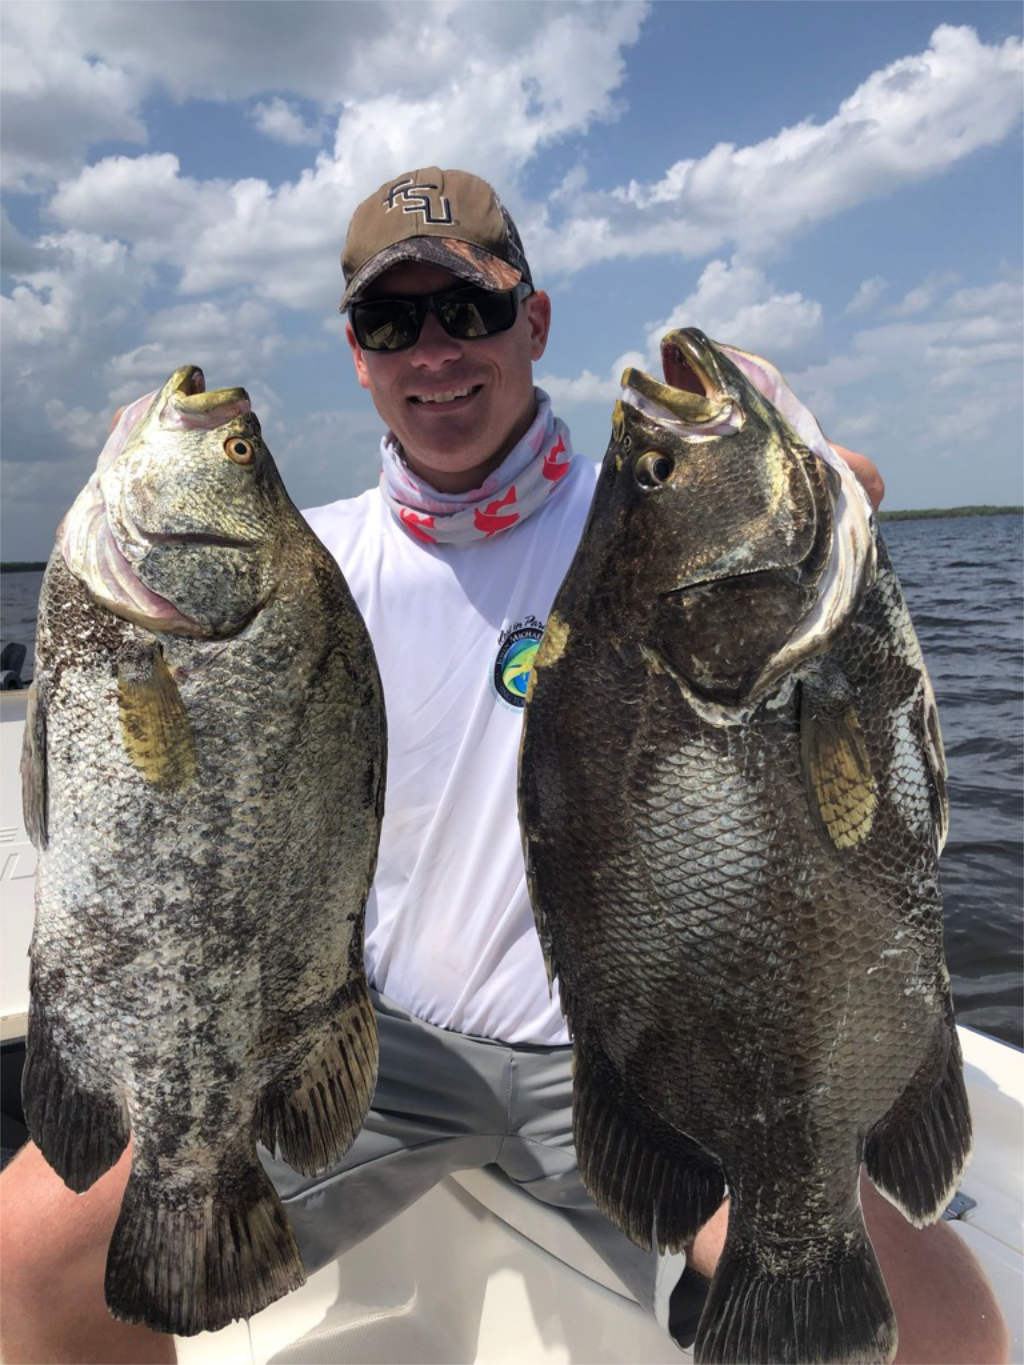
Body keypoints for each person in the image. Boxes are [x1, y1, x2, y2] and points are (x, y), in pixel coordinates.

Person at [0, 167, 1008, 1365]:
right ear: (357, 352)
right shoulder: (292, 566)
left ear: (533, 322)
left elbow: (803, 608)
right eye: (393, 321)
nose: (434, 352)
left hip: (639, 1050)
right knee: (28, 1256)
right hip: (379, 1047)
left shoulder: (642, 527)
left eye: (468, 312)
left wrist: (814, 497)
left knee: (947, 1327)